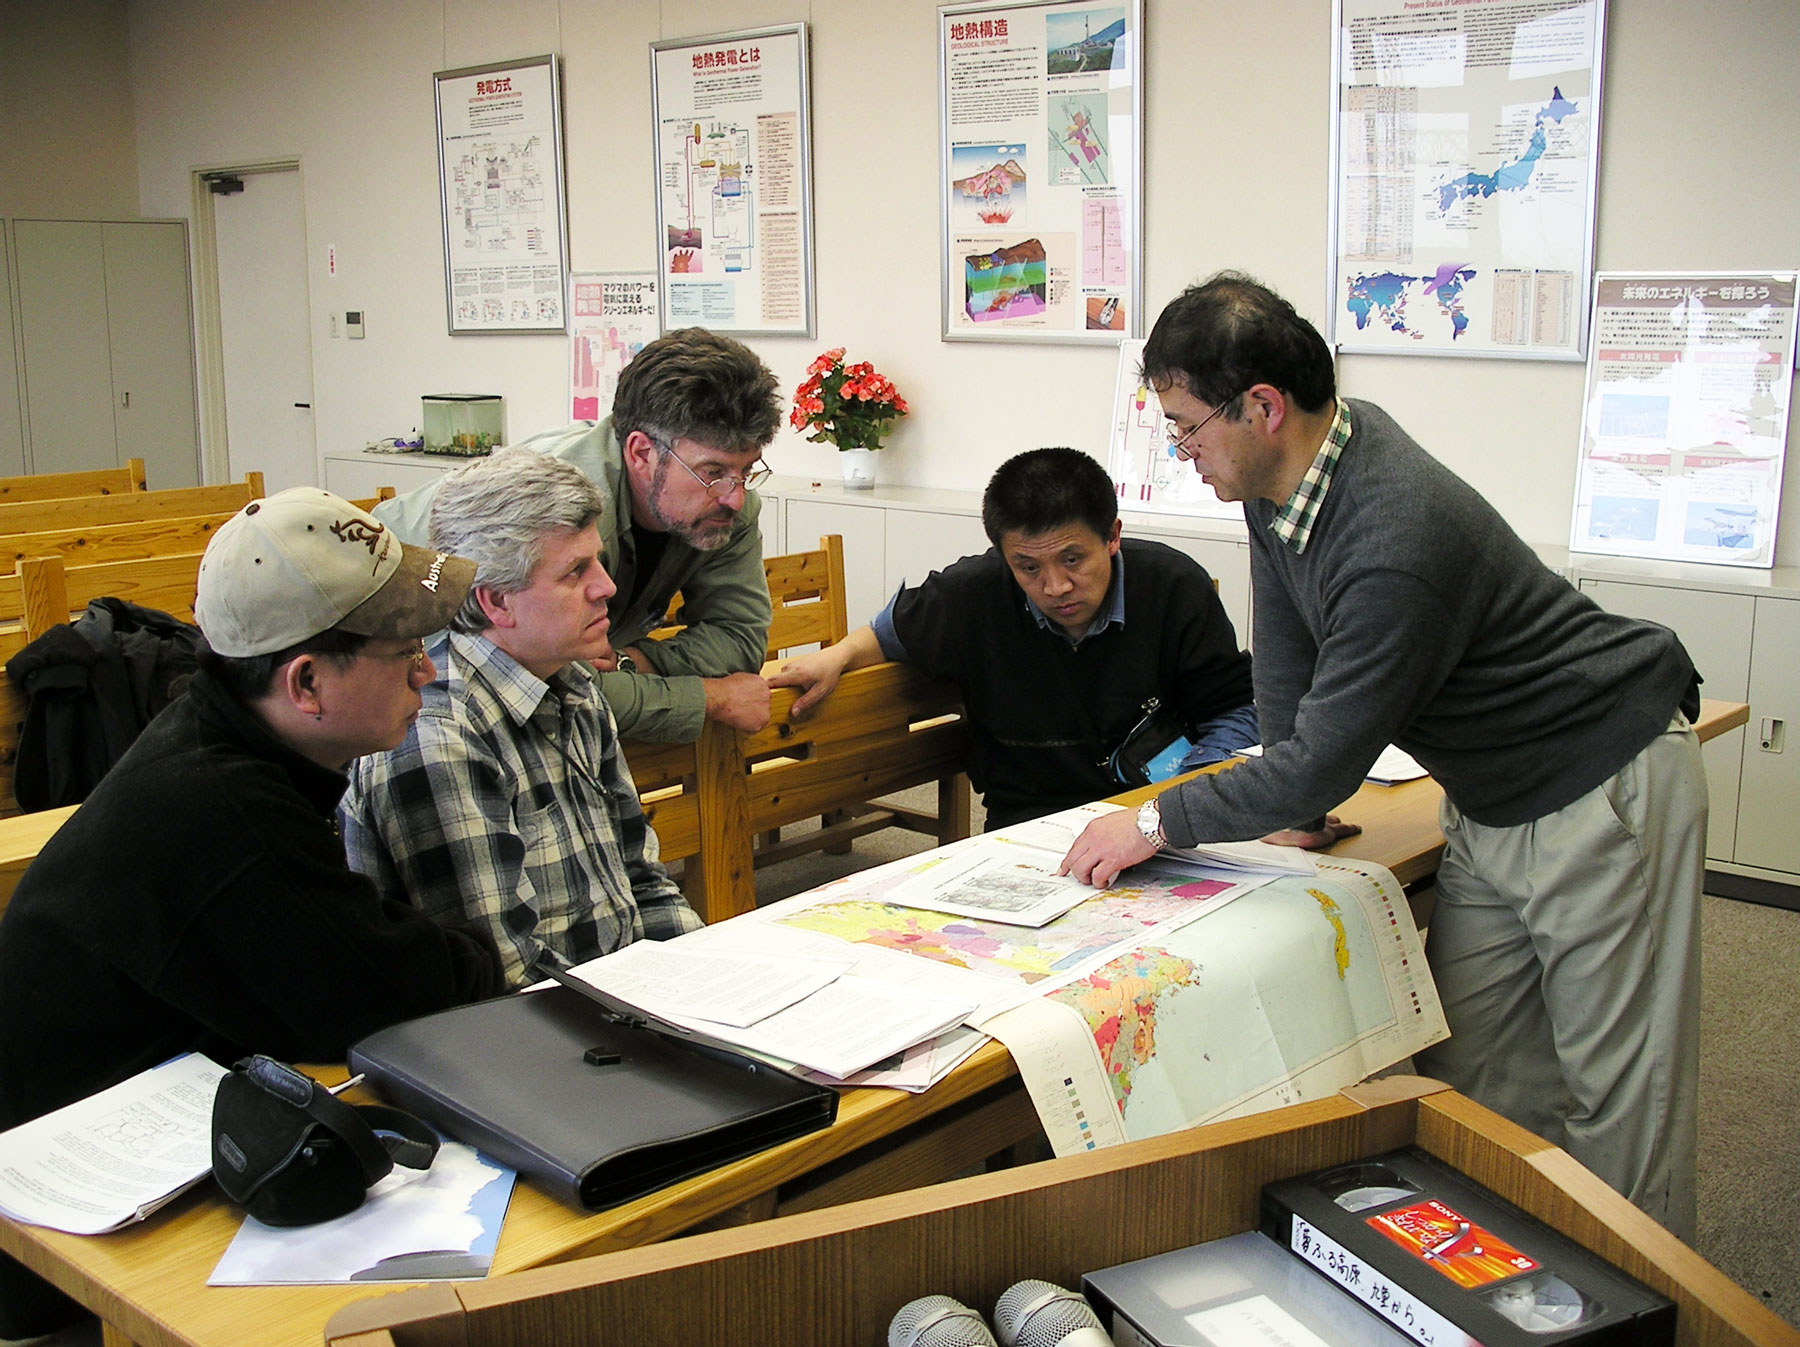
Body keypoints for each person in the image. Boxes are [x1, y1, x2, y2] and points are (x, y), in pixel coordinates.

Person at [1058, 272, 1707, 1239]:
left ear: (1264, 407)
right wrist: (1297, 813)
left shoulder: (1394, 533)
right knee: (1472, 1084)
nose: (1180, 450)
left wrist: (1158, 819)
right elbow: (1285, 657)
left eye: (1187, 427)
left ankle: (1646, 1309)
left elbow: (1326, 759)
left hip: (1598, 777)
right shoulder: (1292, 473)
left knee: (1619, 1109)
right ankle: (1511, 1294)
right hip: (1490, 798)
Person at [0, 489, 504, 1339]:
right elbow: (417, 993)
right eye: (404, 649)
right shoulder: (221, 813)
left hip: (149, 1148)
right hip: (66, 1262)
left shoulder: (226, 744)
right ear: (306, 681)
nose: (428, 669)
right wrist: (459, 950)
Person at [343, 449, 703, 989]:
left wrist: (710, 980)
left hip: (618, 1000)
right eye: (575, 571)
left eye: (597, 560)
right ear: (495, 602)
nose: (606, 586)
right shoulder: (438, 733)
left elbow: (643, 883)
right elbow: (505, 978)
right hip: (536, 1030)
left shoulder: (573, 682)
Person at [769, 447, 1256, 831]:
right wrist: (837, 656)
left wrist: (1181, 808)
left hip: (1158, 815)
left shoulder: (1173, 586)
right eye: (1028, 566)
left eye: (1072, 559)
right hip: (1029, 827)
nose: (1055, 587)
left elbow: (1233, 710)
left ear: (1112, 537)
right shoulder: (972, 592)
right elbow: (887, 633)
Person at [374, 327, 783, 743]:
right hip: (391, 645)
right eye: (713, 472)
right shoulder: (562, 517)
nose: (734, 497)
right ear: (642, 452)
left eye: (746, 471)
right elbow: (557, 688)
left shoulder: (724, 508)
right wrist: (705, 697)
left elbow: (739, 638)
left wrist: (631, 662)